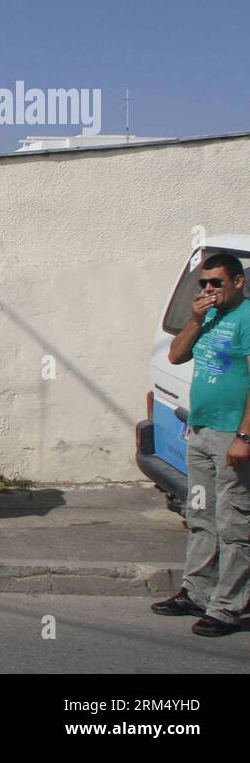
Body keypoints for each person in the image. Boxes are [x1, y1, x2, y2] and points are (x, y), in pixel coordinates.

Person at [152, 253, 250, 637]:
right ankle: (197, 591)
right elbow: (176, 356)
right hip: (201, 430)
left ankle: (229, 606)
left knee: (234, 523)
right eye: (203, 284)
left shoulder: (246, 318)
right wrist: (194, 318)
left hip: (231, 435)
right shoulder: (208, 318)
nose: (209, 290)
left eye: (217, 284)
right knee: (201, 517)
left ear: (239, 283)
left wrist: (245, 436)